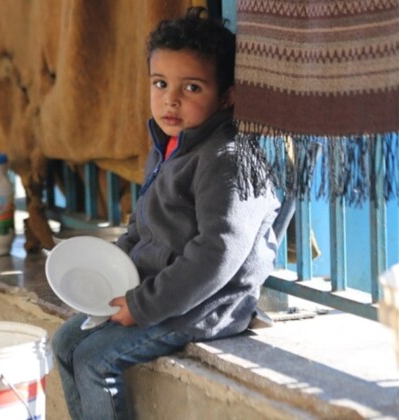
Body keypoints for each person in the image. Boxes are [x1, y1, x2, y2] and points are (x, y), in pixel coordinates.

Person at [52, 7, 280, 419]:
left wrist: (142, 305)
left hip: (202, 307)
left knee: (93, 360)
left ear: (227, 96)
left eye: (191, 87)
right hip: (155, 292)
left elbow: (217, 253)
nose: (170, 99)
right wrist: (111, 270)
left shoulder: (226, 158)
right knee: (65, 342)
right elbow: (142, 226)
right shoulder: (171, 144)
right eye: (160, 83)